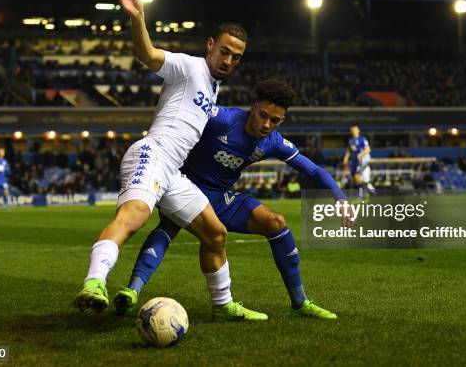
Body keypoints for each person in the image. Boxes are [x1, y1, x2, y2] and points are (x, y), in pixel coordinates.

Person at [74, 0, 266, 322]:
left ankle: (223, 305)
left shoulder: (214, 87)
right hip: (153, 153)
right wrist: (137, 16)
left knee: (215, 233)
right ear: (211, 45)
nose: (228, 60)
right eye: (224, 51)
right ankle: (94, 282)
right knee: (134, 216)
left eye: (235, 57)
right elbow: (146, 54)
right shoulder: (190, 66)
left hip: (173, 171)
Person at [114, 79, 352, 319]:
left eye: (275, 120)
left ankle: (300, 302)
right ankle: (131, 291)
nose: (267, 124)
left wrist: (340, 198)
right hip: (184, 187)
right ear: (253, 107)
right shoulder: (221, 119)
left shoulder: (274, 142)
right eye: (263, 115)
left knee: (276, 222)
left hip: (220, 196)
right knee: (169, 225)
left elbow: (314, 171)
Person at [342, 125, 375, 198]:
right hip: (354, 160)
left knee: (358, 176)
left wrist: (361, 155)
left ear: (358, 130)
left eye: (354, 129)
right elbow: (349, 150)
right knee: (354, 177)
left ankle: (366, 190)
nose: (353, 131)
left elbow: (368, 149)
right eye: (352, 129)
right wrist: (346, 158)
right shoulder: (350, 140)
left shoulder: (362, 139)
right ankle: (365, 189)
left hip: (362, 160)